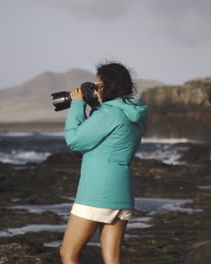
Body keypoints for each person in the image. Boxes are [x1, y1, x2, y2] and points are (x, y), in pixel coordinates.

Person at [59, 62, 148, 264]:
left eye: (98, 83)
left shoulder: (109, 114)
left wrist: (77, 105)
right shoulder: (131, 113)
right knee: (111, 258)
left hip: (97, 191)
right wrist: (97, 106)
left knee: (69, 253)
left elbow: (75, 141)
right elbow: (110, 137)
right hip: (122, 191)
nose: (95, 87)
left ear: (109, 85)